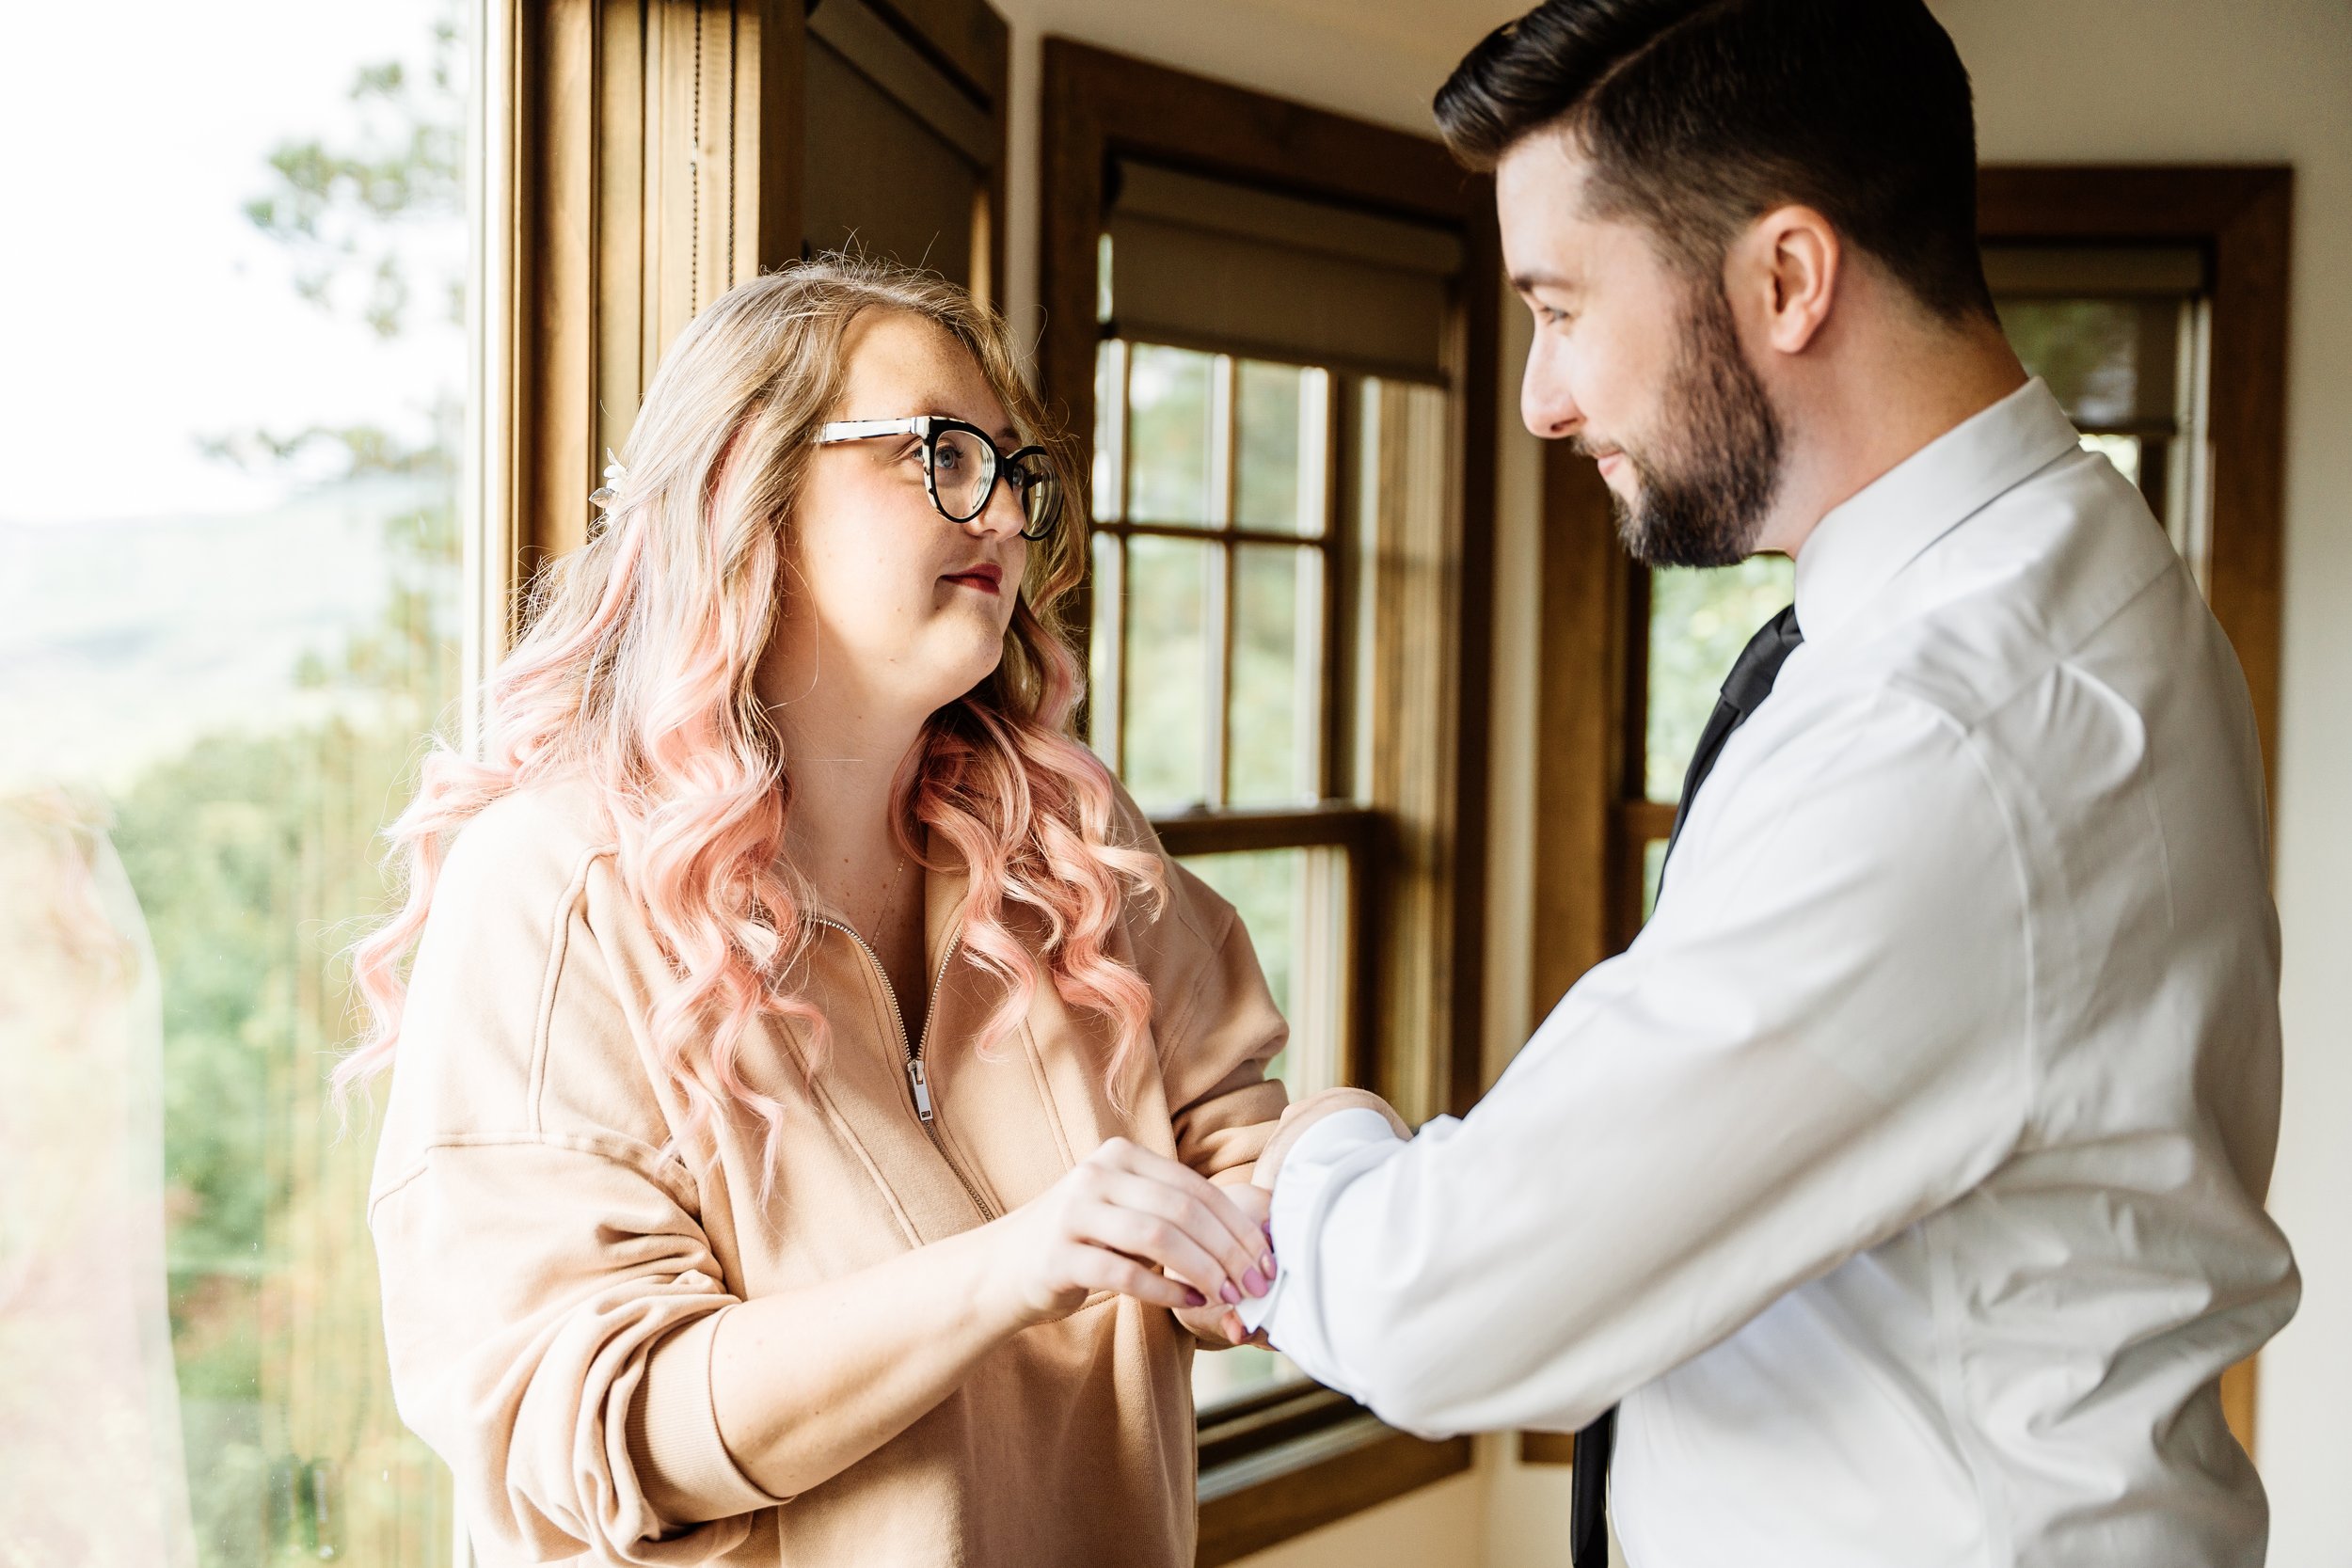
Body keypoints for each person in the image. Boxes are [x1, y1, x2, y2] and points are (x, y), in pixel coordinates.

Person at [1240, 3, 2299, 1565]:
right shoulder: (2075, 570)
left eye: (1561, 305)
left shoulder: (1948, 732)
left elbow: (1440, 1306)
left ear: (1787, 279)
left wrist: (1310, 1149)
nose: (1542, 398)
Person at [349, 257, 1298, 1566]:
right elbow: (600, 1433)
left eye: (1017, 475)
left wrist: (1336, 1160)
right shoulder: (556, 894)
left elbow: (1233, 1147)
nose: (1007, 517)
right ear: (753, 481)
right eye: (941, 452)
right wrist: (1014, 1267)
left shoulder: (1073, 855)